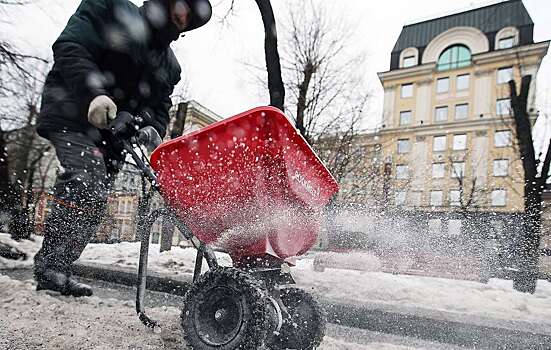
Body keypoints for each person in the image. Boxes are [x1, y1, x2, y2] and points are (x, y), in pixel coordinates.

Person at [34, 0, 212, 297]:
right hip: (74, 113)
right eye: (183, 4)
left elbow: (160, 109)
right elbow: (70, 47)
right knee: (84, 179)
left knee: (97, 198)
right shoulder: (109, 7)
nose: (185, 15)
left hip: (115, 138)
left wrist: (144, 124)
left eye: (191, 15)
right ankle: (50, 267)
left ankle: (60, 267)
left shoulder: (169, 64)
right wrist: (95, 94)